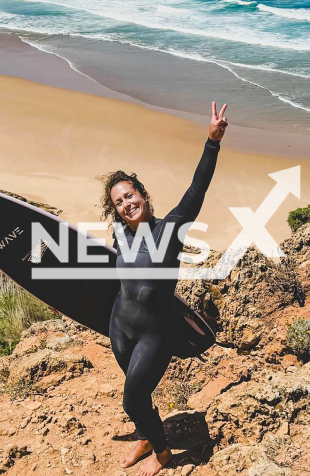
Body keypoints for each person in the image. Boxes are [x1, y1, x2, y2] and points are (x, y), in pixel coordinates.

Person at [99, 101, 228, 476]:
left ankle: (162, 451)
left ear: (143, 194)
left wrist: (212, 142)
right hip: (119, 325)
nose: (126, 204)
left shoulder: (168, 230)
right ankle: (144, 434)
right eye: (119, 201)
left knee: (132, 397)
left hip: (154, 333)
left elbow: (197, 190)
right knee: (137, 395)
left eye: (130, 195)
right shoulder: (119, 233)